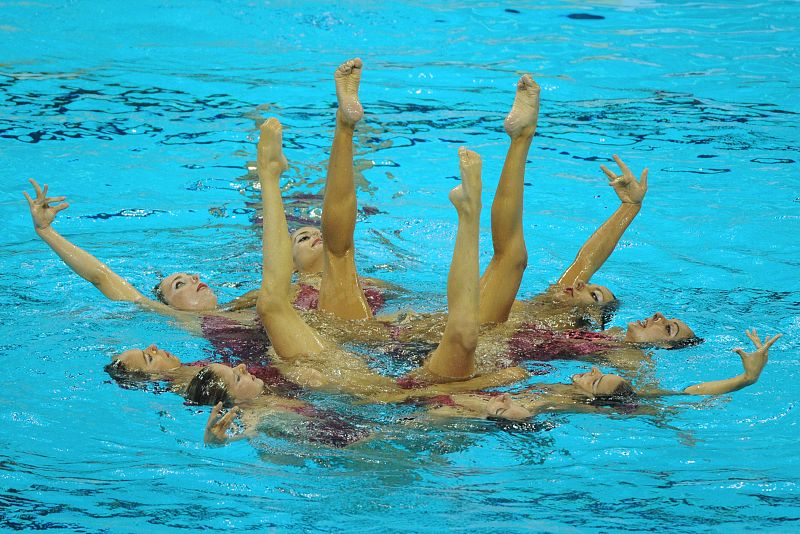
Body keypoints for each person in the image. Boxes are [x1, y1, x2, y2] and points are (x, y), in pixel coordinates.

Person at [393, 329, 781, 422]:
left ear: (589, 399)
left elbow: (531, 411)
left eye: (594, 380)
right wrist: (744, 379)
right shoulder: (573, 385)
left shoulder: (559, 399)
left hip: (457, 411)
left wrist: (513, 410)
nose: (591, 371)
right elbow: (682, 391)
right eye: (600, 371)